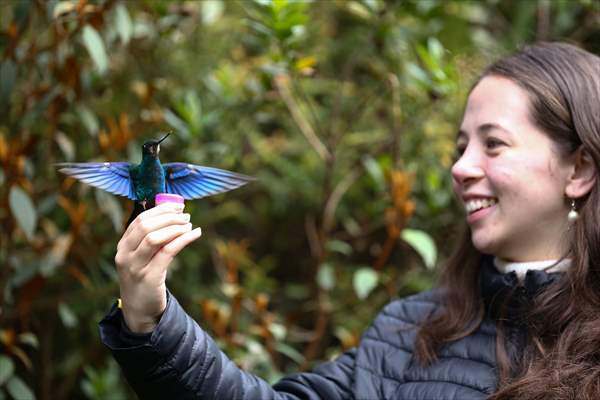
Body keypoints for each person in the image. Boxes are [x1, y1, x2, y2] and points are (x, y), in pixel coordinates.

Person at [99, 42, 600, 399]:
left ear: (578, 169)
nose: (461, 167)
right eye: (461, 146)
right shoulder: (409, 334)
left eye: (493, 144)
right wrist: (150, 319)